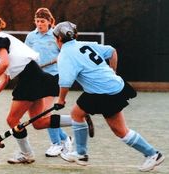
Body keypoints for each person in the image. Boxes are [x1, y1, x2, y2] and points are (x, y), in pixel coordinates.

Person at [53, 21, 165, 171]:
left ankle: (153, 154)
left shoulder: (64, 55)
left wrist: (61, 100)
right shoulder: (84, 44)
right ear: (75, 35)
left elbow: (65, 82)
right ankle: (81, 154)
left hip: (103, 92)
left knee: (119, 130)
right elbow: (112, 51)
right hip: (112, 86)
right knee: (78, 114)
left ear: (58, 39)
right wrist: (113, 71)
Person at [0, 14, 74, 164]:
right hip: (33, 77)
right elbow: (5, 79)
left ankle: (27, 154)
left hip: (30, 77)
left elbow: (5, 63)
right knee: (39, 123)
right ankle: (78, 119)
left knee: (12, 119)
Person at [25, 7, 94, 157]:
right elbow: (27, 55)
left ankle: (57, 144)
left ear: (50, 22)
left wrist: (61, 57)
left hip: (53, 78)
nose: (39, 24)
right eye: (37, 21)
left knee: (44, 113)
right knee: (40, 117)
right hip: (36, 78)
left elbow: (68, 51)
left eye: (42, 21)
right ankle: (64, 138)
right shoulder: (31, 37)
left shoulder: (57, 35)